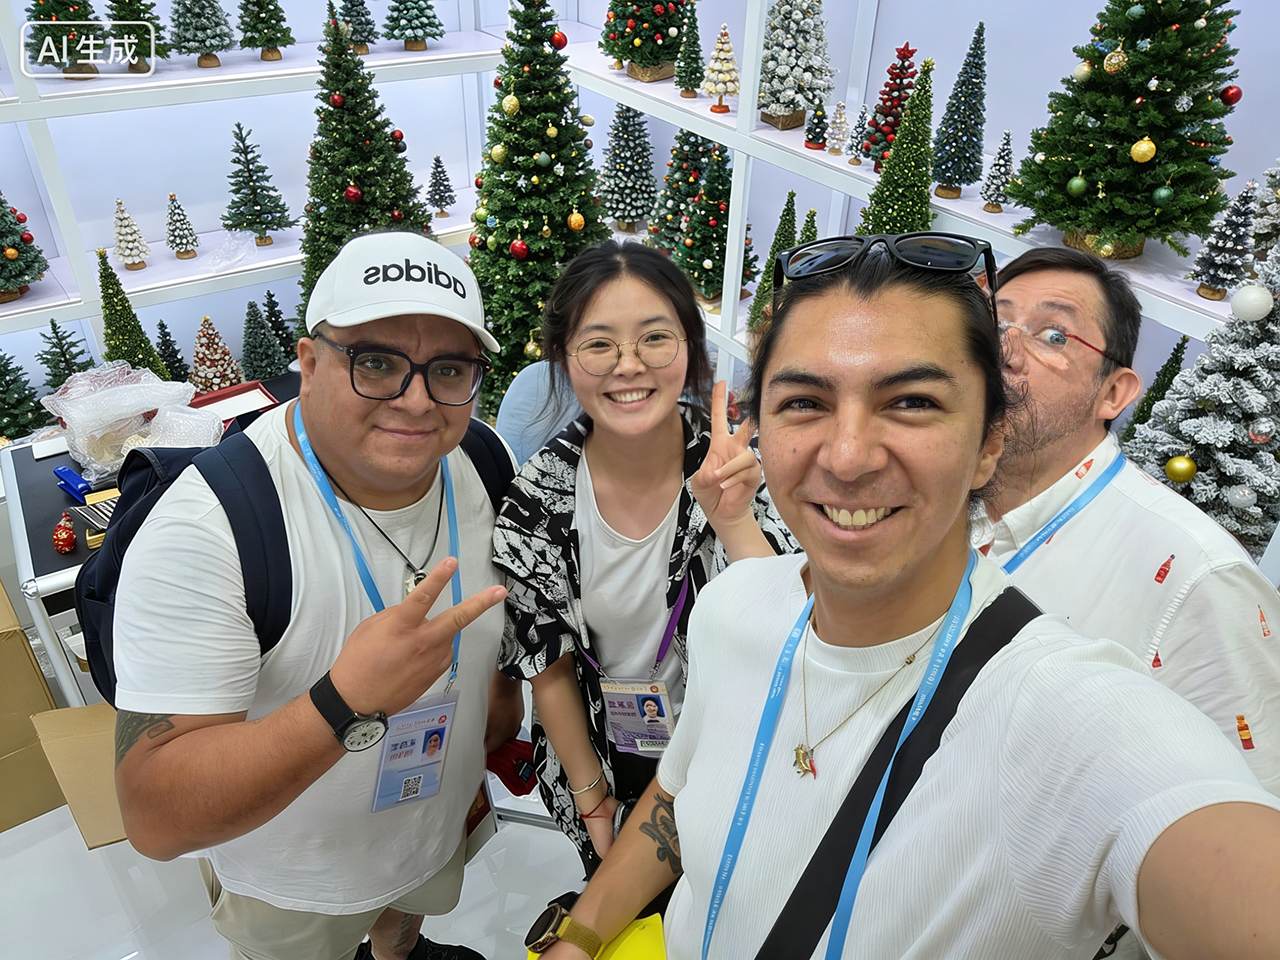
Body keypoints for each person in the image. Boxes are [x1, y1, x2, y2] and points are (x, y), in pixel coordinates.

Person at [532, 233, 1280, 960]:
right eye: (804, 402)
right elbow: (677, 794)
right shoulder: (735, 607)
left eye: (913, 401)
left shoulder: (1063, 713)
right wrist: (581, 937)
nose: (848, 455)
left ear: (989, 442)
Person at [112, 231, 523, 960]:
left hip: (428, 822)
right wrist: (344, 701)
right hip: (290, 879)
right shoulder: (210, 528)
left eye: (448, 368)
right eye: (376, 363)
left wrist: (497, 696)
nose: (417, 400)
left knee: (405, 923)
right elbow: (154, 814)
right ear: (307, 363)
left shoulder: (484, 459)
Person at [493, 240, 798, 877]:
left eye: (655, 338)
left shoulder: (744, 473)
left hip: (736, 765)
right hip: (603, 762)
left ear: (689, 346)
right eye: (599, 344)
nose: (628, 365)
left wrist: (735, 520)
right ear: (563, 357)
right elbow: (545, 664)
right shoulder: (536, 501)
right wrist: (591, 798)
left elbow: (791, 634)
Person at [977, 246, 1280, 797]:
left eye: (1054, 336)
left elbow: (1253, 806)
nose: (1005, 351)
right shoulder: (939, 497)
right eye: (995, 325)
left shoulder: (1199, 577)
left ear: (1113, 393)